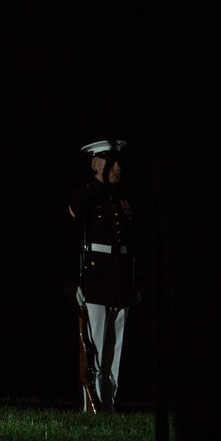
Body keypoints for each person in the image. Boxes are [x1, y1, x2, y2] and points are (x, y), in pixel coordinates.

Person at [67, 139, 139, 412]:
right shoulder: (86, 196)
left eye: (118, 162)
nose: (117, 167)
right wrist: (73, 280)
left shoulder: (121, 198)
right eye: (110, 162)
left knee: (115, 344)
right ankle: (91, 400)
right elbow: (70, 239)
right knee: (94, 343)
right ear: (95, 164)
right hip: (95, 276)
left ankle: (108, 400)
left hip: (120, 275)